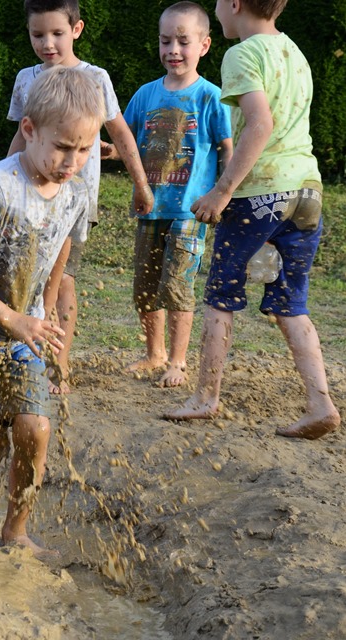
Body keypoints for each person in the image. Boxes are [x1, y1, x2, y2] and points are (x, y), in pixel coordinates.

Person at [0, 66, 107, 557]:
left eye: (86, 149)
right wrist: (13, 318)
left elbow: (58, 253)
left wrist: (44, 315)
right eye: (63, 147)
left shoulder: (73, 191)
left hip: (23, 327)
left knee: (36, 428)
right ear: (29, 130)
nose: (72, 161)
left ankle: (16, 531)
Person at [164, 0, 341, 439]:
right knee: (291, 303)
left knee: (220, 294)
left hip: (259, 194)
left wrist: (222, 190)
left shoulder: (241, 53)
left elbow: (260, 125)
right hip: (307, 194)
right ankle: (320, 403)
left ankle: (205, 397)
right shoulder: (293, 50)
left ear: (235, 4)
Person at [7, 0, 154, 394]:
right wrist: (3, 186)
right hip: (31, 197)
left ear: (77, 29)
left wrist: (140, 184)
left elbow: (120, 132)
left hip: (76, 200)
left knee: (62, 280)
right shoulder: (26, 78)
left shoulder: (95, 77)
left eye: (57, 33)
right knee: (32, 277)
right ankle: (26, 349)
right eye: (38, 34)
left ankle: (60, 364)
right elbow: (22, 136)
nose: (47, 43)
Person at [108, 1, 232, 387]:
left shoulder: (211, 96)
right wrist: (101, 150)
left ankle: (177, 362)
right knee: (145, 287)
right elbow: (125, 143)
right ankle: (154, 354)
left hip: (189, 212)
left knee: (177, 285)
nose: (173, 50)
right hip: (149, 207)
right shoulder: (145, 95)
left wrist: (222, 194)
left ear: (204, 45)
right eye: (165, 41)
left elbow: (228, 149)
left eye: (183, 41)